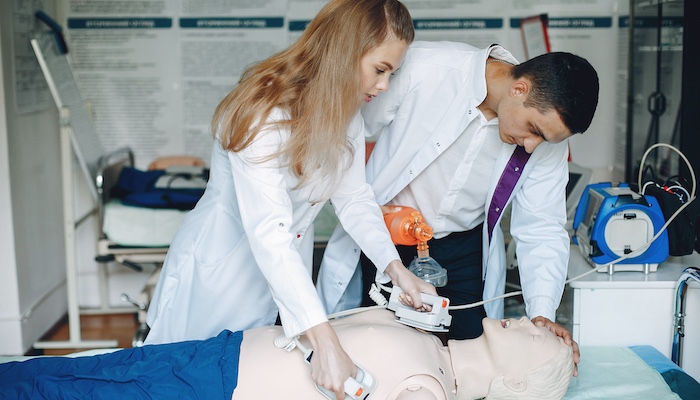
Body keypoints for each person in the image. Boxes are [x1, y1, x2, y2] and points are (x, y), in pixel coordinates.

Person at [144, 0, 436, 397]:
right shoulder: (262, 110)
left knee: (247, 380)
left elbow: (353, 198)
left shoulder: (344, 110)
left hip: (282, 274)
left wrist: (395, 268)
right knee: (182, 379)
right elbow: (269, 232)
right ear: (344, 50)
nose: (383, 86)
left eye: (392, 74)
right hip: (223, 270)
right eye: (380, 70)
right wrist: (325, 340)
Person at [317, 41, 599, 370]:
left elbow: (541, 227)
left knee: (469, 363)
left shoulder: (543, 141)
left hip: (464, 250)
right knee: (375, 353)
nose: (532, 144)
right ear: (519, 89)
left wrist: (541, 314)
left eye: (544, 139)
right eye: (533, 130)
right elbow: (351, 124)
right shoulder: (428, 69)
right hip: (388, 237)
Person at [0, 309, 574, 400]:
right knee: (66, 375)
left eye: (535, 335)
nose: (527, 319)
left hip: (215, 388)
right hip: (218, 352)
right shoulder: (431, 339)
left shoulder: (425, 390)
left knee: (62, 390)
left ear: (523, 376)